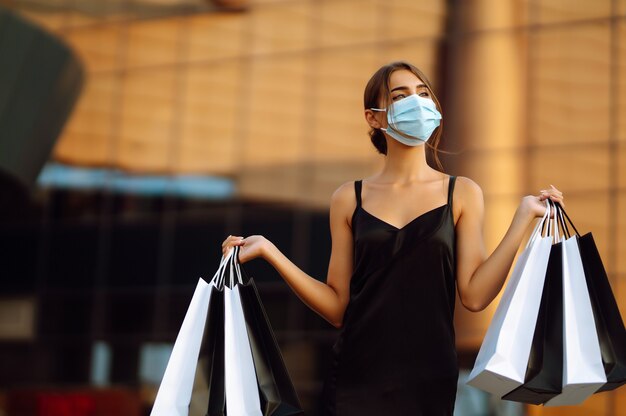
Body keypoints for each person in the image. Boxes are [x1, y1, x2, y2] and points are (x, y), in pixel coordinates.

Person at [220, 61, 565, 415]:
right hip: (357, 374)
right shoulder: (348, 198)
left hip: (430, 377)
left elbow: (475, 296)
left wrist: (522, 219)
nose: (417, 102)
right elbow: (338, 308)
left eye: (423, 93)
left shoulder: (461, 193)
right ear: (373, 118)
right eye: (401, 96)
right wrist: (270, 252)